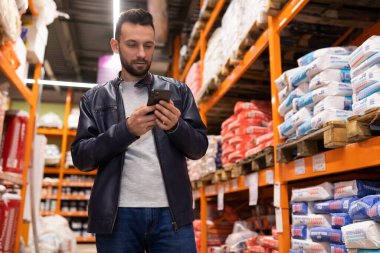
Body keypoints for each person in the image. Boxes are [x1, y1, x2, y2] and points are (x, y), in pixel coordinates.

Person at [71, 8, 208, 253]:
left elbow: (199, 148)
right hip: (117, 219)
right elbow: (82, 157)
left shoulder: (178, 91)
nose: (142, 54)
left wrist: (176, 127)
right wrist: (126, 130)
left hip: (172, 216)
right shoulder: (95, 98)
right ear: (115, 45)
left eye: (148, 45)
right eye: (132, 45)